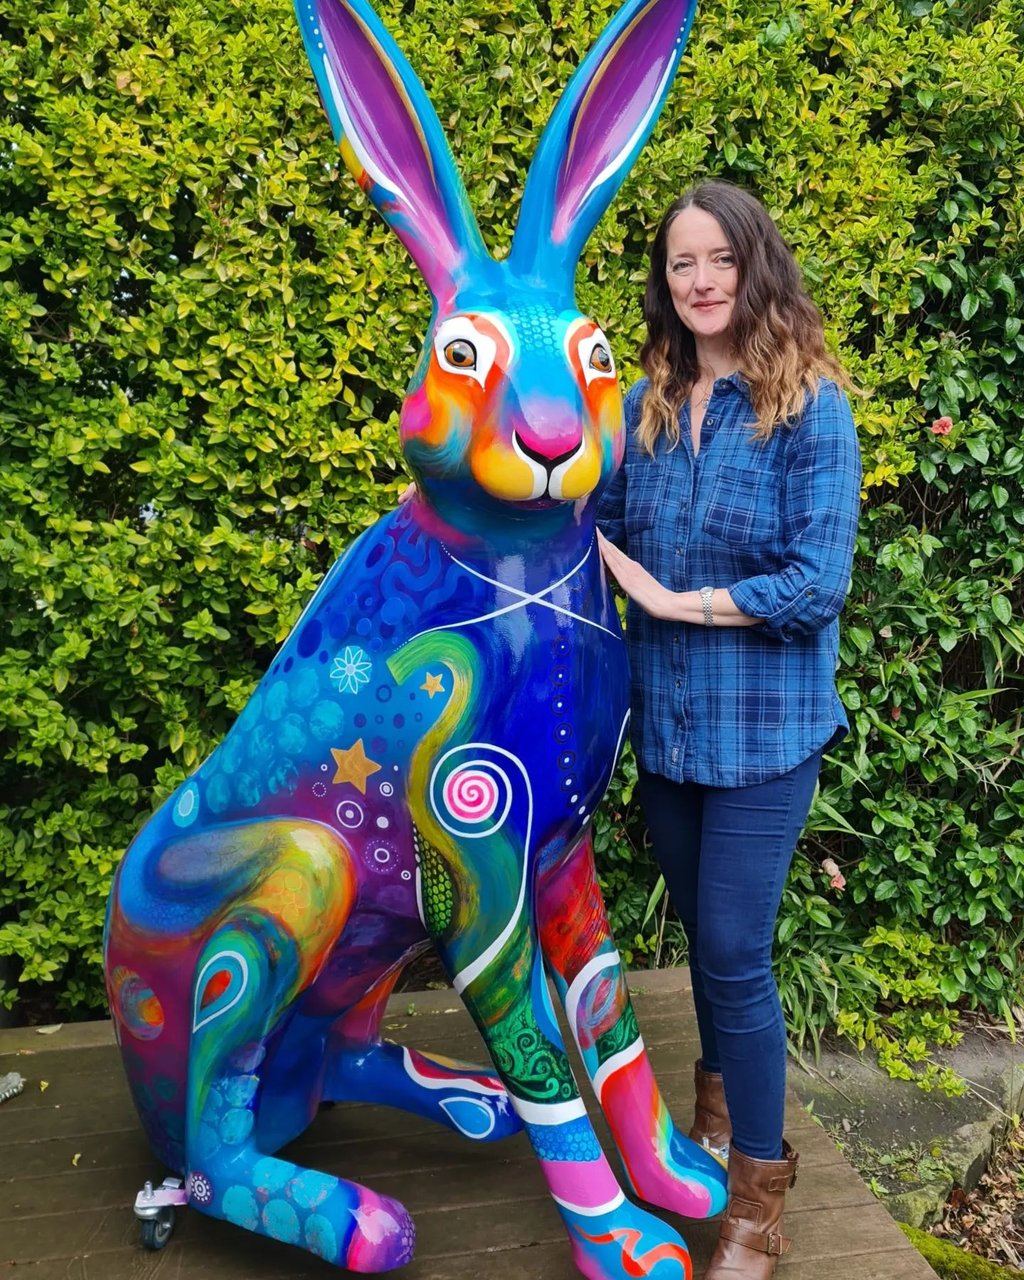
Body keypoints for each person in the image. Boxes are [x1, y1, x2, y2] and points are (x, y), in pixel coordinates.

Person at [595, 179, 861, 1280]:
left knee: (737, 952)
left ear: (755, 264)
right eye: (679, 265)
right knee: (704, 937)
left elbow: (816, 580)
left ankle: (756, 1195)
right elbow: (595, 527)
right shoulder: (643, 405)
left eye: (718, 259)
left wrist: (668, 601)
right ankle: (712, 1103)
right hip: (671, 730)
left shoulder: (808, 406)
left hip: (765, 734)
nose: (699, 282)